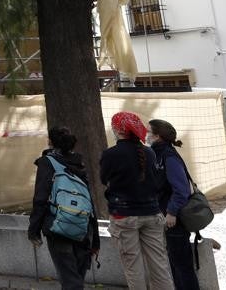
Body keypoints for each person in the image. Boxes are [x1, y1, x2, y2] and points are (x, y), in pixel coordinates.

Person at [100, 111, 172, 290]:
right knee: (160, 265)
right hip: (152, 213)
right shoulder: (149, 153)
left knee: (134, 268)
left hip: (124, 216)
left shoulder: (110, 154)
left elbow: (104, 179)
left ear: (117, 129)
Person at [28, 126, 100, 289]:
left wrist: (33, 230)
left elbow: (40, 198)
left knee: (69, 278)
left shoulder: (47, 162)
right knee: (76, 277)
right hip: (83, 226)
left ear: (50, 142)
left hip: (57, 226)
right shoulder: (79, 162)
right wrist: (95, 239)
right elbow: (89, 199)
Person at [148, 119, 199, 290]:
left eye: (149, 132)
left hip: (174, 220)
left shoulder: (168, 156)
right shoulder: (159, 154)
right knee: (175, 264)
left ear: (157, 136)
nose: (146, 135)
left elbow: (181, 189)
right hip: (167, 217)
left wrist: (171, 212)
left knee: (182, 266)